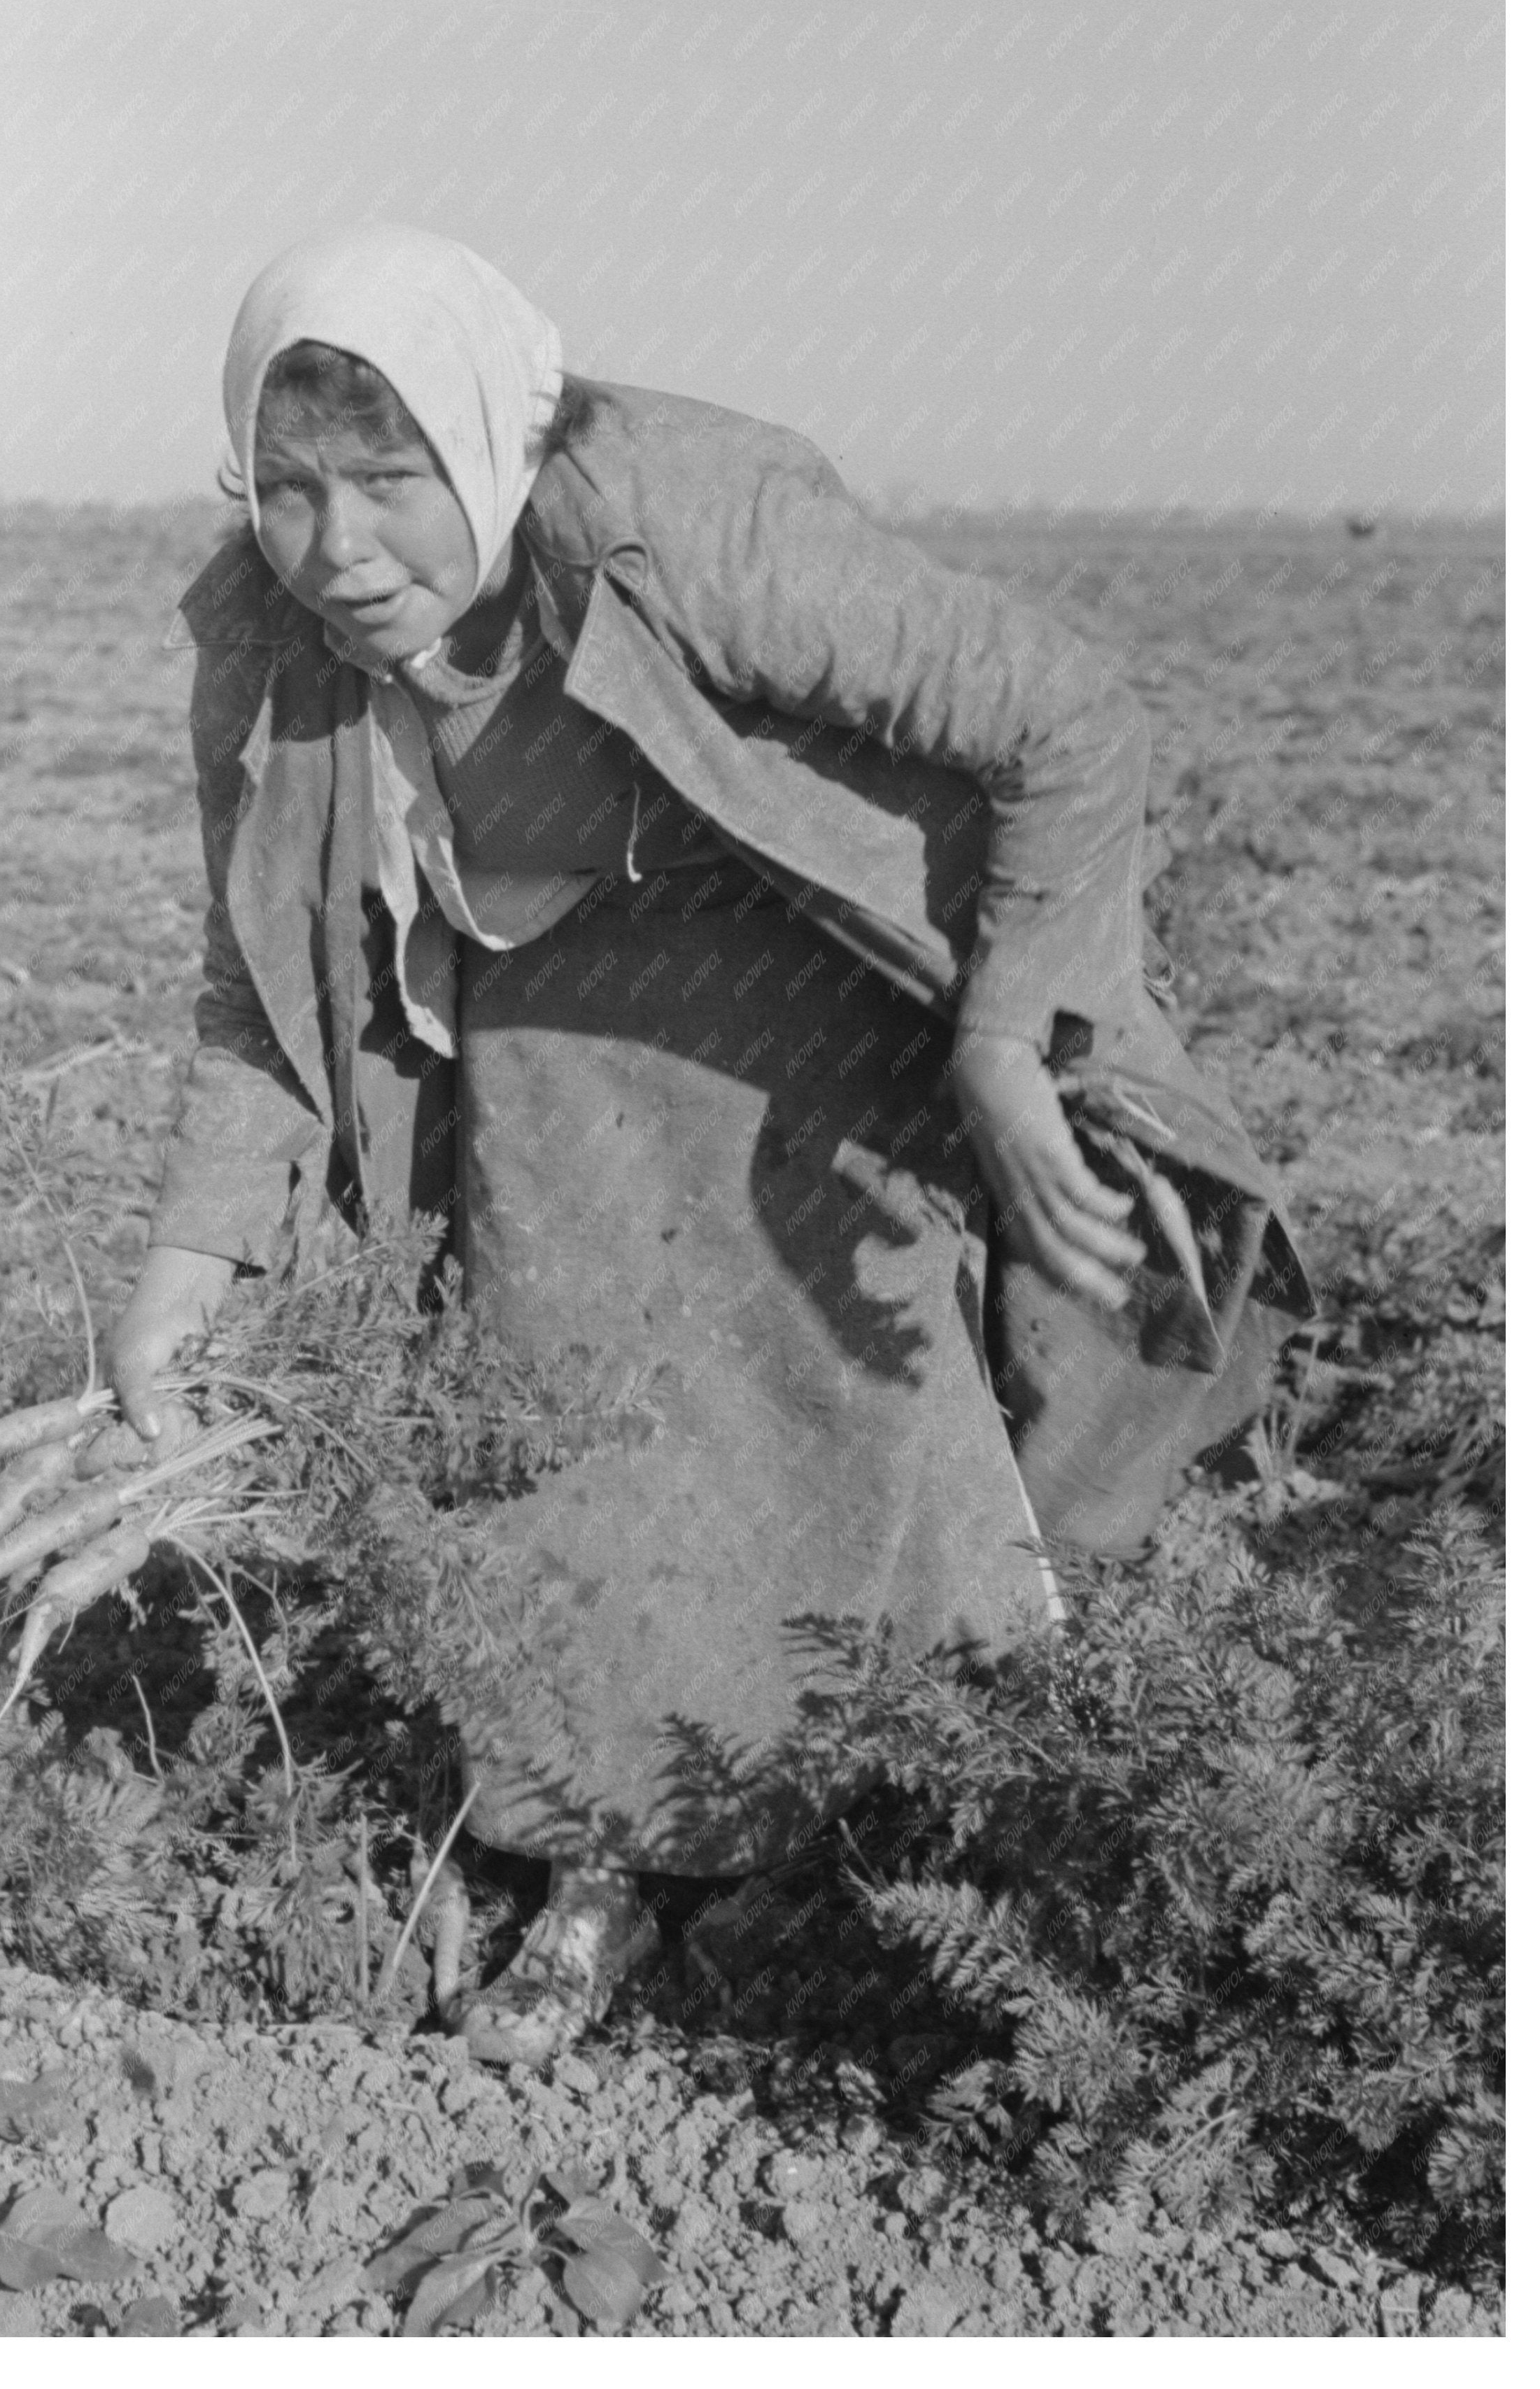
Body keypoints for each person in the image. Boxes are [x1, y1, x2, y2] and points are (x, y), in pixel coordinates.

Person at [107, 226, 1312, 2065]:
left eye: (390, 483)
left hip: (812, 935)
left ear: (489, 447)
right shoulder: (264, 635)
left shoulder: (682, 522)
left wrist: (999, 1043)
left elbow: (1067, 714)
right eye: (285, 492)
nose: (339, 551)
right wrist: (181, 1278)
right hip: (547, 981)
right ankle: (604, 1857)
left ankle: (944, 1829)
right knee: (557, 1394)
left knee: (874, 1390)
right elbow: (259, 975)